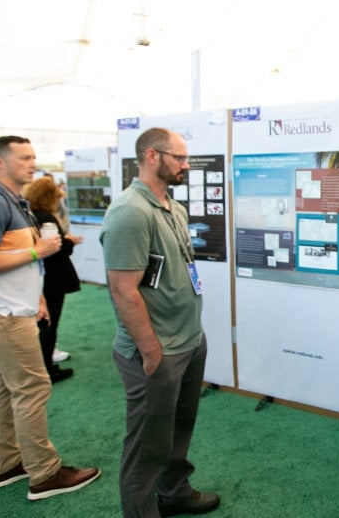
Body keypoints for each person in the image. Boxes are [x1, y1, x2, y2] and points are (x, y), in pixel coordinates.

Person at [0, 135, 100, 501]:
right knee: (32, 387)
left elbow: (15, 258)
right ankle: (45, 473)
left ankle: (6, 465)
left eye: (33, 156)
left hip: (12, 310)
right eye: (24, 157)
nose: (32, 162)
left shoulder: (14, 202)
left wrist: (35, 295)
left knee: (5, 386)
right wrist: (38, 250)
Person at [101, 127, 219, 517]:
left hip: (186, 340)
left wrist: (192, 336)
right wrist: (150, 349)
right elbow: (123, 290)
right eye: (180, 158)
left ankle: (173, 492)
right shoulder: (130, 212)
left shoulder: (173, 207)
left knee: (178, 428)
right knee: (148, 443)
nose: (186, 165)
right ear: (152, 156)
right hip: (156, 349)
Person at [24, 178, 83, 383]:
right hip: (53, 277)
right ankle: (47, 369)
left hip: (41, 276)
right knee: (49, 323)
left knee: (43, 323)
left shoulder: (30, 216)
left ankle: (43, 366)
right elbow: (55, 249)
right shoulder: (46, 219)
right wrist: (70, 241)